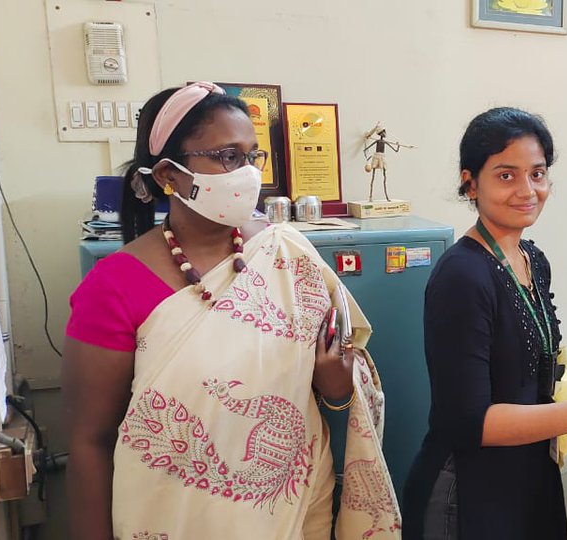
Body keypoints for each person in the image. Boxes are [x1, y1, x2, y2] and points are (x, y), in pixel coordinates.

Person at [63, 82, 401, 539]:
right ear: (168, 175)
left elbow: (336, 384)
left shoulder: (284, 253)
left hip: (294, 518)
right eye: (227, 157)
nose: (247, 174)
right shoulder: (114, 287)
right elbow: (89, 443)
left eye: (251, 156)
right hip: (170, 521)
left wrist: (338, 386)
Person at [402, 107, 567, 540]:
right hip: (467, 494)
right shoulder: (462, 275)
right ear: (470, 182)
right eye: (506, 175)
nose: (527, 190)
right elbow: (469, 421)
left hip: (529, 479)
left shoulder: (532, 259)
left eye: (537, 174)